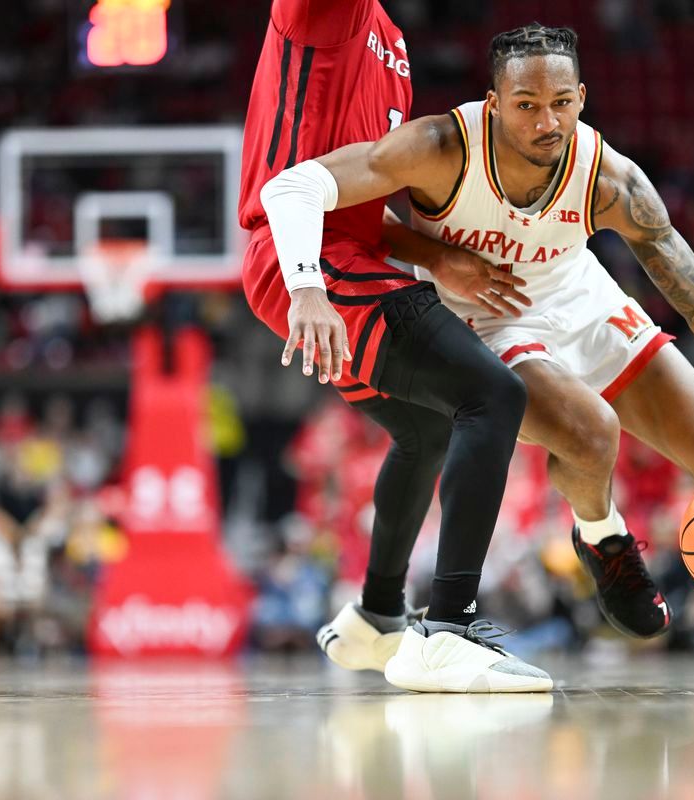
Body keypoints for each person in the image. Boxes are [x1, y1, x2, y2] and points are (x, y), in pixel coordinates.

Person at [262, 23, 694, 689]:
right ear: (494, 105)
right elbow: (300, 190)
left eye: (561, 103)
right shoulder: (440, 147)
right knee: (591, 432)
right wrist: (350, 275)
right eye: (526, 105)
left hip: (578, 293)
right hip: (485, 312)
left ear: (581, 97)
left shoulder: (611, 180)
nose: (546, 121)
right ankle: (603, 534)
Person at [240, 0, 551, 692]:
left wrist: (434, 257)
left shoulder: (394, 45)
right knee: (492, 394)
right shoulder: (328, 13)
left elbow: (362, 201)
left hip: (347, 255)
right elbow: (295, 195)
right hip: (306, 260)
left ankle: (378, 619)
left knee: (431, 425)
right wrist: (306, 286)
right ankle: (449, 630)